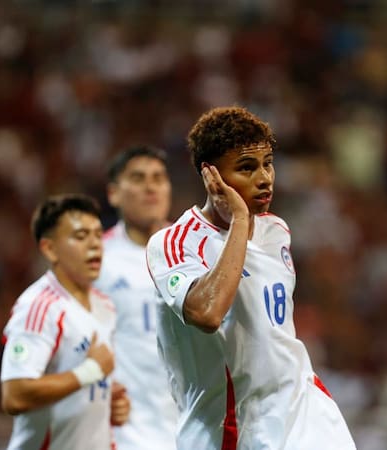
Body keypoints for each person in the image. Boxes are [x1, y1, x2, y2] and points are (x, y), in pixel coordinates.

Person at [145, 106, 356, 449]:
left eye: (267, 163)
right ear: (210, 175)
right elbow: (207, 313)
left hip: (301, 409)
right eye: (247, 167)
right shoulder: (174, 243)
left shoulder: (276, 231)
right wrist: (240, 222)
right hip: (229, 427)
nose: (264, 177)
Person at [0, 193, 131, 450]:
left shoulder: (105, 306)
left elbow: (83, 381)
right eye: (81, 237)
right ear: (49, 248)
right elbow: (15, 395)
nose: (95, 245)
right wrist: (90, 372)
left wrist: (105, 404)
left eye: (97, 234)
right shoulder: (40, 307)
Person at [94, 146, 178, 450]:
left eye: (158, 177)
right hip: (127, 430)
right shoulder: (95, 259)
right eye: (138, 178)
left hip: (193, 426)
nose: (150, 186)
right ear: (114, 193)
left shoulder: (196, 252)